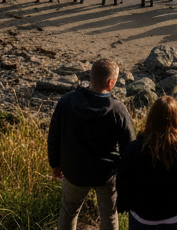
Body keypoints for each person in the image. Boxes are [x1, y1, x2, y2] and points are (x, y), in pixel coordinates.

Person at [47, 57, 136, 230]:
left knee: (69, 211)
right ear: (111, 83)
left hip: (73, 171)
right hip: (106, 174)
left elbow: (54, 135)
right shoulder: (117, 110)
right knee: (109, 215)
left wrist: (55, 164)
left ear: (91, 76)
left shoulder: (67, 101)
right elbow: (129, 147)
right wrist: (126, 176)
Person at [117, 95, 177, 230]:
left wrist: (125, 201)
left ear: (151, 117)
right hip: (176, 212)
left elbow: (123, 179)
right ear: (176, 118)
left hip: (142, 215)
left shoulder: (134, 148)